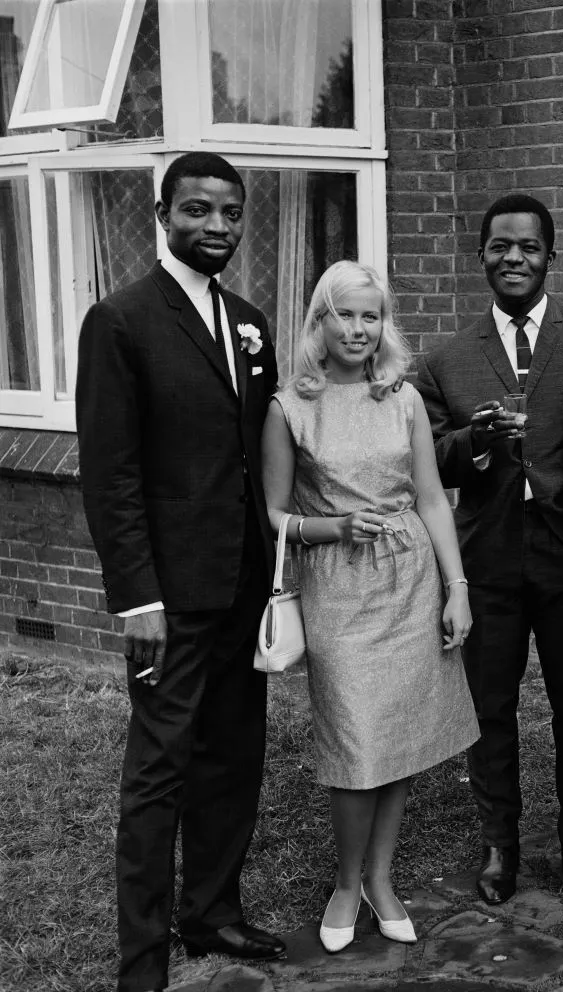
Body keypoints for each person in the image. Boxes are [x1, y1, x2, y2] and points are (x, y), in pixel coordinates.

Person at [76, 152, 285, 992]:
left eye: (231, 214)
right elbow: (111, 473)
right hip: (170, 596)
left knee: (234, 755)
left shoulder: (249, 318)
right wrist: (139, 599)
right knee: (159, 772)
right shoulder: (120, 320)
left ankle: (212, 912)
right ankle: (143, 964)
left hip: (242, 584)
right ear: (160, 214)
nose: (217, 228)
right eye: (197, 210)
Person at [261, 260, 480, 954]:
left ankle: (382, 878)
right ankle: (346, 883)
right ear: (319, 322)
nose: (358, 329)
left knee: (400, 734)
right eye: (345, 314)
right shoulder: (289, 405)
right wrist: (330, 528)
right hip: (339, 584)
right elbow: (271, 514)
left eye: (371, 315)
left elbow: (428, 497)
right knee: (356, 738)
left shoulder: (403, 397)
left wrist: (458, 587)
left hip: (411, 578)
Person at [414, 194, 563, 910]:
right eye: (500, 246)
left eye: (529, 247)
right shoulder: (445, 359)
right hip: (490, 560)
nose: (514, 259)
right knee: (490, 708)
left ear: (550, 258)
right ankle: (500, 842)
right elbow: (429, 459)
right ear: (481, 257)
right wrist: (473, 443)